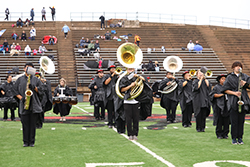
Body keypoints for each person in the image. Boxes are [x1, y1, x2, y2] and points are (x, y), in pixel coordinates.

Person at [13, 62, 43, 147]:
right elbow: (15, 91)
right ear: (24, 69)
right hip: (24, 104)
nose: (28, 69)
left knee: (33, 125)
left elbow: (41, 91)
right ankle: (25, 141)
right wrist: (21, 98)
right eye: (27, 67)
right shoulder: (19, 79)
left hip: (34, 105)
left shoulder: (36, 79)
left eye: (30, 68)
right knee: (25, 124)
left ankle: (32, 142)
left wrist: (35, 88)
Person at [221, 61, 250, 145]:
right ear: (233, 67)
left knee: (241, 121)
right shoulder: (229, 77)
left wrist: (246, 84)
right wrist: (234, 93)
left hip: (243, 99)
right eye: (236, 66)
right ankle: (234, 138)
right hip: (233, 100)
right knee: (234, 121)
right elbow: (224, 90)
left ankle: (240, 138)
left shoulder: (244, 76)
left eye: (239, 66)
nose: (238, 67)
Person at [119, 68, 144, 140]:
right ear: (127, 70)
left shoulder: (137, 77)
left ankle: (135, 134)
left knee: (136, 119)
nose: (131, 71)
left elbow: (144, 80)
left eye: (132, 69)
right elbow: (122, 89)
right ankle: (130, 134)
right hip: (127, 101)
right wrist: (130, 86)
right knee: (128, 119)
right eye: (129, 69)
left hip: (136, 101)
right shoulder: (123, 78)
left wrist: (137, 76)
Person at [210, 74, 229, 139]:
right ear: (219, 80)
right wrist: (221, 95)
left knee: (226, 120)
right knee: (219, 120)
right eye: (222, 79)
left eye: (225, 79)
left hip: (227, 104)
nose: (224, 80)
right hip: (219, 105)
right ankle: (219, 134)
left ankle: (225, 133)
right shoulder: (216, 87)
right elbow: (212, 95)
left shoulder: (228, 86)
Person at [192, 68, 211, 132]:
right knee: (198, 114)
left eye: (201, 73)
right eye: (199, 73)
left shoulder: (205, 81)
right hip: (198, 100)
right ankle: (198, 128)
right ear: (197, 75)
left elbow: (208, 86)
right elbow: (197, 87)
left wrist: (204, 78)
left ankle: (203, 127)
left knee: (203, 114)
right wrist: (200, 79)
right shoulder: (195, 81)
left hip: (205, 99)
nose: (201, 74)